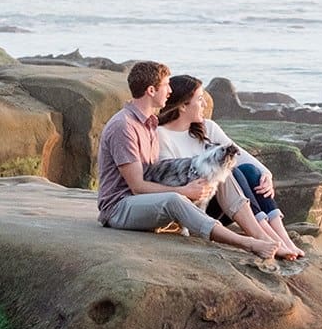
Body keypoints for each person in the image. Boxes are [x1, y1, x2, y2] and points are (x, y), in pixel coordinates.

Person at [97, 60, 277, 261]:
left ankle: (261, 235)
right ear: (150, 90)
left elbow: (157, 172)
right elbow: (137, 186)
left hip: (145, 201)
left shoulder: (150, 123)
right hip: (120, 207)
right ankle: (248, 243)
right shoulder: (124, 127)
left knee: (219, 173)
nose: (170, 90)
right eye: (166, 85)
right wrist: (184, 191)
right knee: (175, 199)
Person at [153, 74, 306, 261]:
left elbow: (240, 155)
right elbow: (169, 178)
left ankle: (283, 239)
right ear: (183, 105)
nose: (204, 105)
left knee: (251, 171)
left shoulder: (207, 127)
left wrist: (267, 174)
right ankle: (265, 237)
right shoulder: (161, 135)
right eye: (199, 100)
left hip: (221, 202)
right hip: (194, 208)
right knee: (229, 170)